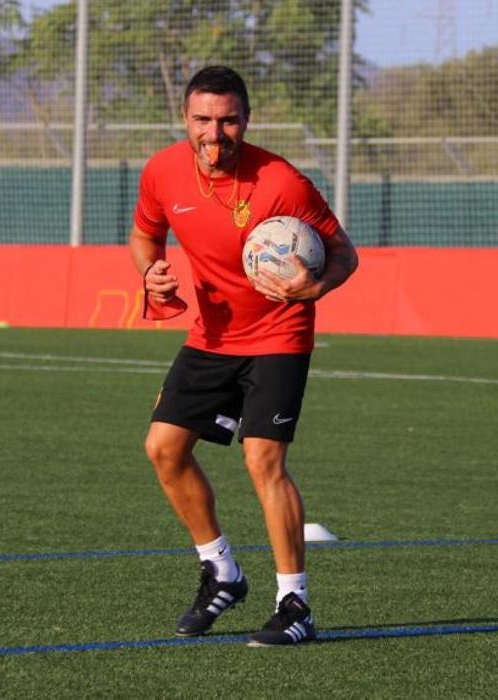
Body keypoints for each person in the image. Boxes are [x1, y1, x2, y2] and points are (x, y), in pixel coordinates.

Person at [129, 65, 358, 647]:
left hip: (279, 332)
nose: (215, 133)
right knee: (163, 448)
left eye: (228, 120)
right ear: (186, 119)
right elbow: (144, 234)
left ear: (245, 121)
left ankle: (295, 603)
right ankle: (222, 571)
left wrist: (316, 286)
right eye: (203, 120)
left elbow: (343, 254)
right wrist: (151, 273)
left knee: (263, 460)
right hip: (211, 334)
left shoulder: (283, 182)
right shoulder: (162, 172)